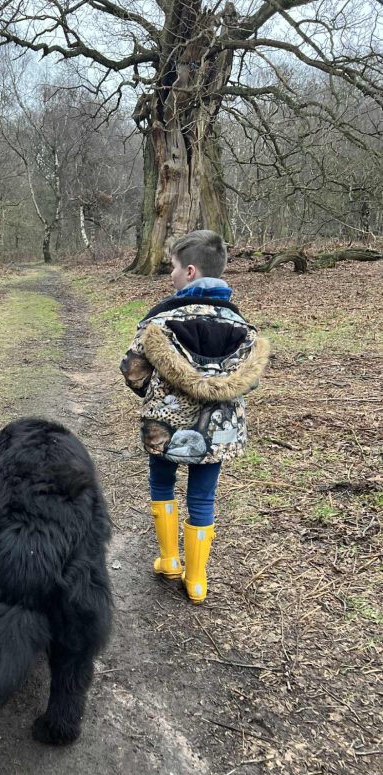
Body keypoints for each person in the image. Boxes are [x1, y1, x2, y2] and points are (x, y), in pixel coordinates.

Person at [120, 230, 269, 603]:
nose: (170, 274)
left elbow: (132, 370)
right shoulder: (242, 326)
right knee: (203, 497)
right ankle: (197, 579)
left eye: (172, 267)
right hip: (217, 431)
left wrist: (156, 394)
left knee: (162, 484)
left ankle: (170, 560)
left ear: (189, 271)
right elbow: (250, 380)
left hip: (165, 426)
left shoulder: (160, 321)